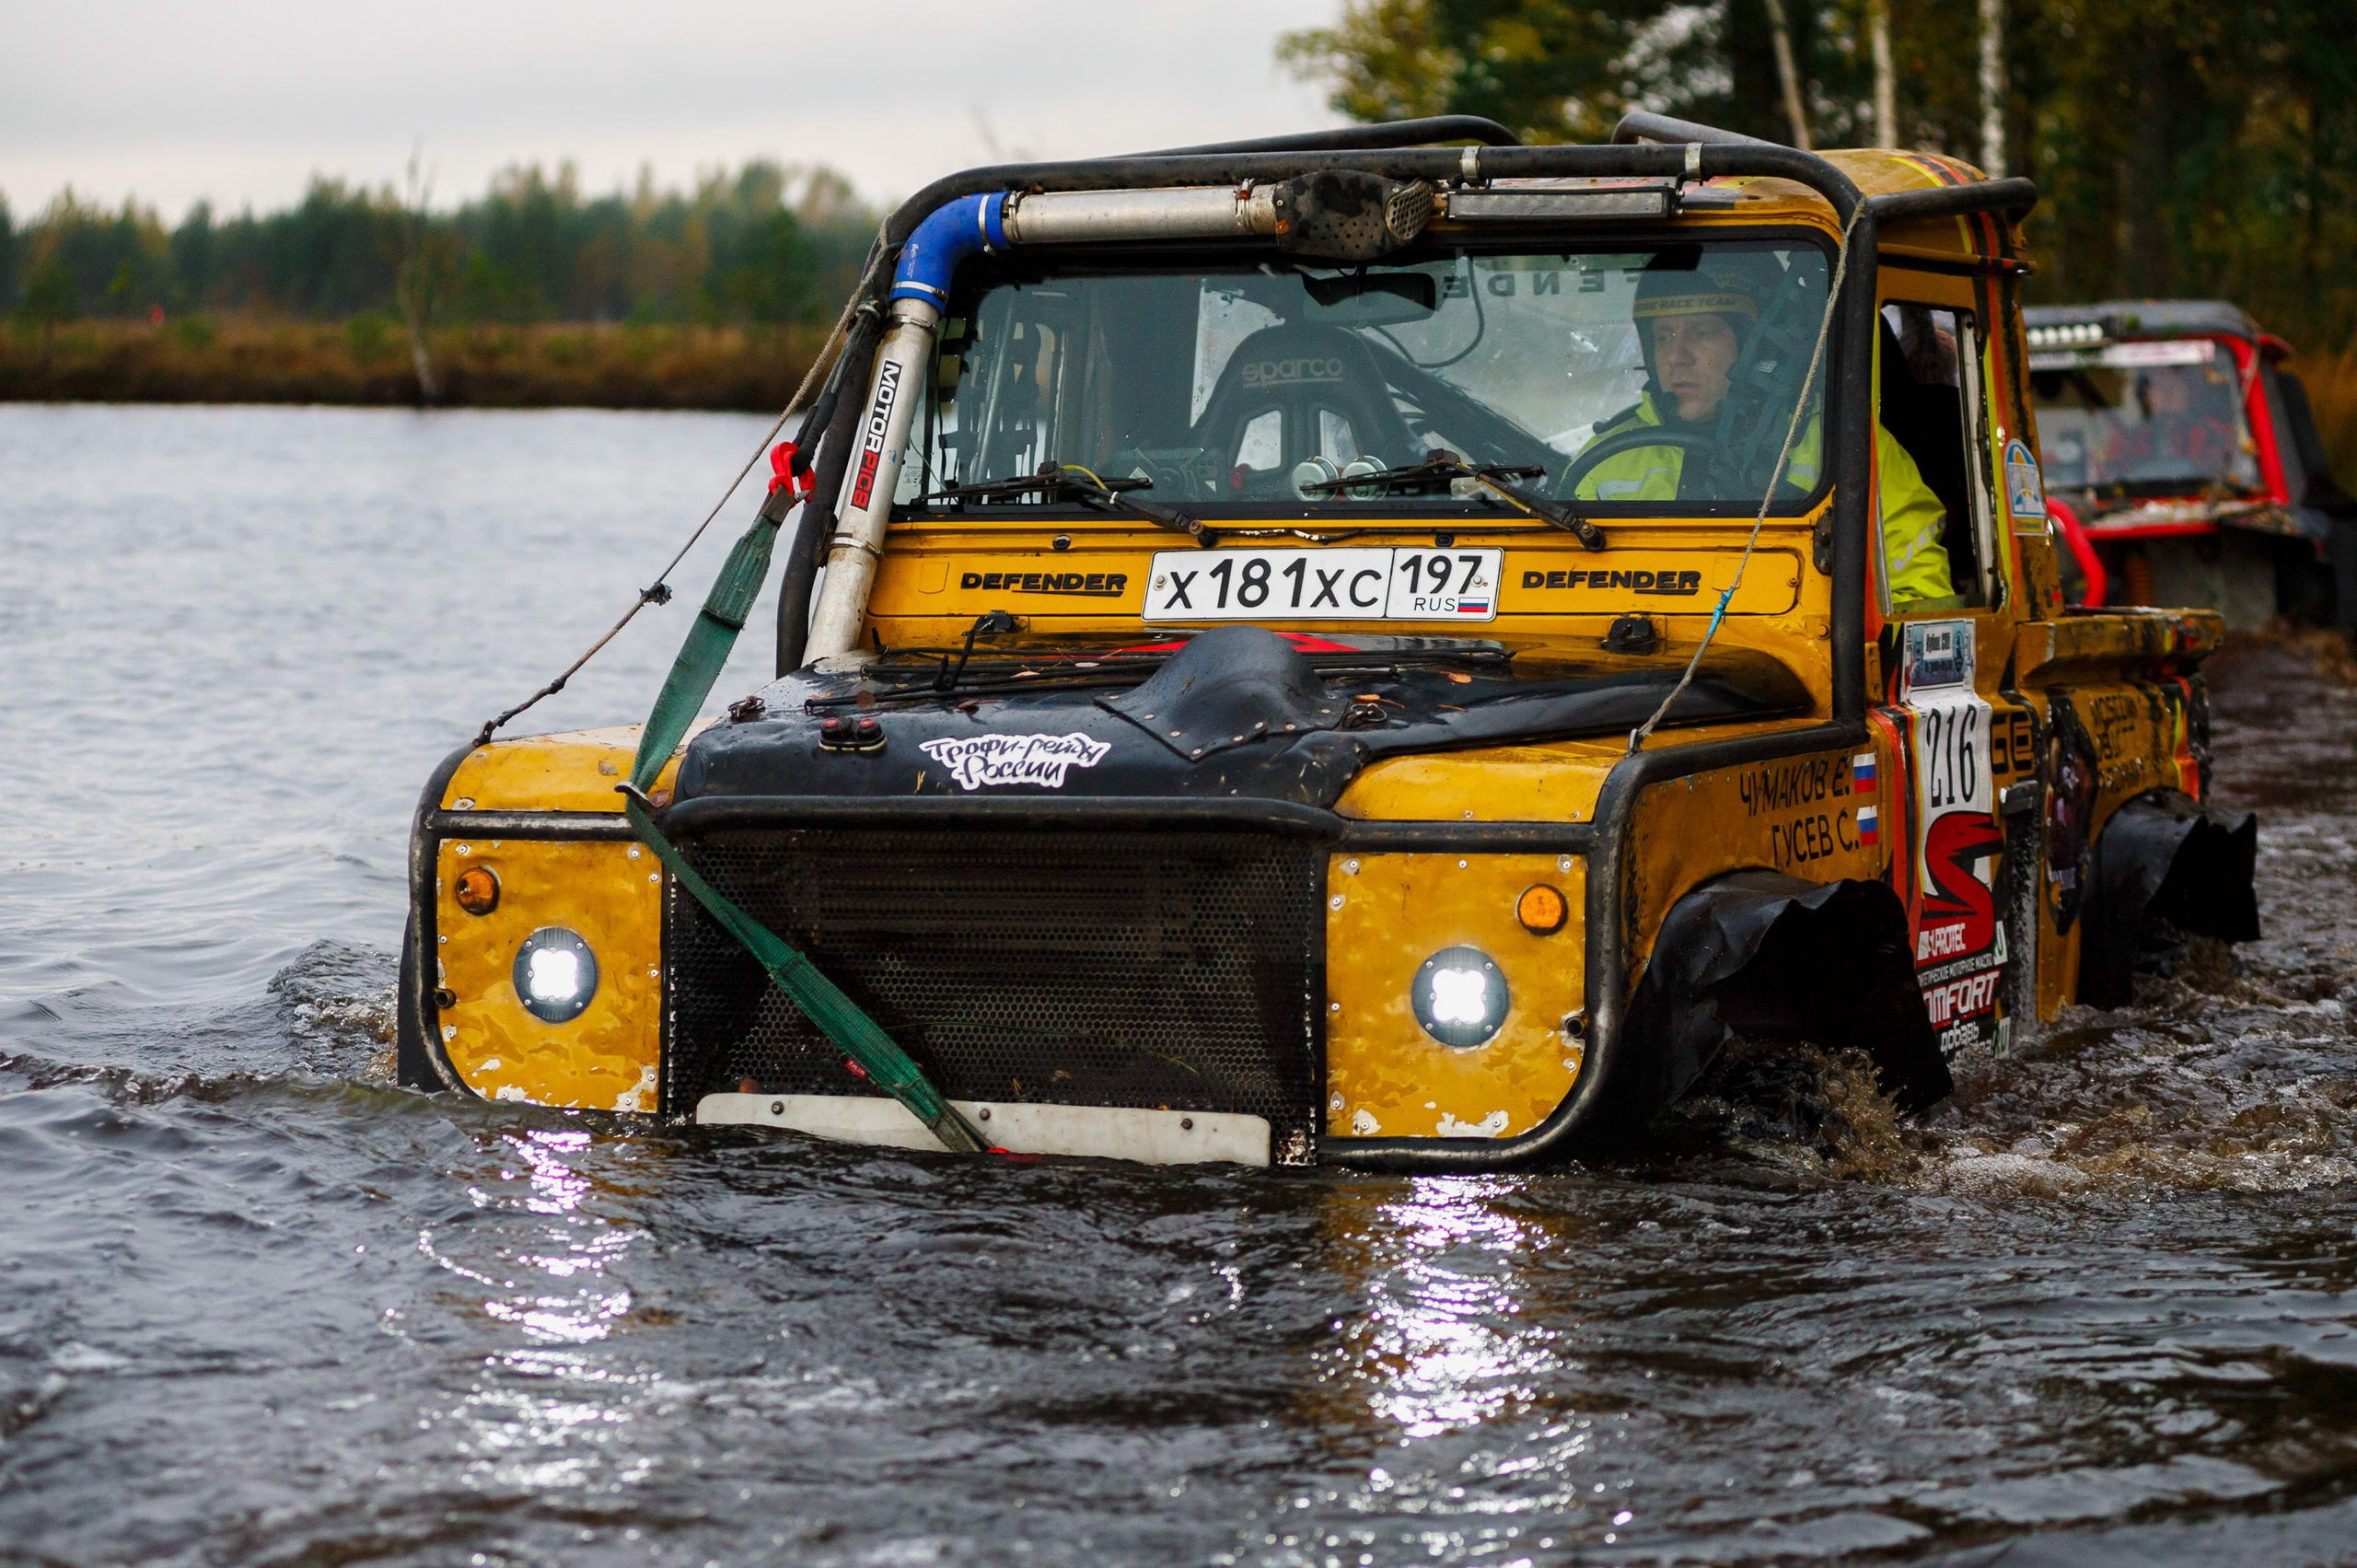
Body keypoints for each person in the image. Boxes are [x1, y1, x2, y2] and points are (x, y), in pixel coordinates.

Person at [1573, 260, 1956, 608]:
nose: (1677, 356)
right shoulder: (1604, 460)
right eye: (1664, 336)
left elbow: (1918, 599)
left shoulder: (1843, 448)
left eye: (1703, 332)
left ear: (1759, 343)